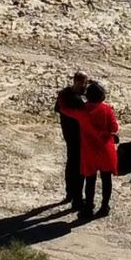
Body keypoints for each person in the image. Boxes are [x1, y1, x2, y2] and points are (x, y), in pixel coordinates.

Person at [58, 78, 119, 220]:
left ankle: (89, 207)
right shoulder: (107, 109)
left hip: (90, 152)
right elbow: (114, 128)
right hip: (106, 150)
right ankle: (104, 206)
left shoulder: (82, 111)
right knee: (106, 179)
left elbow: (64, 110)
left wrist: (62, 96)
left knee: (90, 181)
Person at [54, 72, 90, 204]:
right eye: (85, 82)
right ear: (79, 82)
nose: (85, 86)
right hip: (78, 137)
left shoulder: (64, 94)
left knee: (71, 165)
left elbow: (58, 108)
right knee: (79, 168)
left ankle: (70, 193)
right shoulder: (77, 100)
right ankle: (77, 198)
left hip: (68, 135)